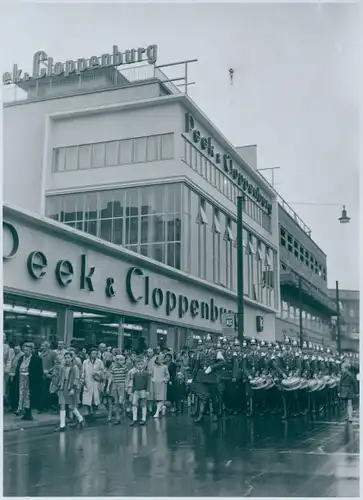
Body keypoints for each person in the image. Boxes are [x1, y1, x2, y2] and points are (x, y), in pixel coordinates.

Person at [57, 351, 84, 431]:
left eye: (68, 357)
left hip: (70, 387)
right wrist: (59, 386)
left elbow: (76, 378)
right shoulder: (63, 367)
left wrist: (73, 388)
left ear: (72, 358)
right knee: (62, 405)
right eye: (65, 358)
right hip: (63, 386)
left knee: (71, 406)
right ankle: (62, 425)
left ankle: (80, 418)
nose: (67, 359)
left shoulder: (74, 367)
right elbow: (60, 377)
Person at [81, 348, 105, 420]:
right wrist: (82, 380)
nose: (94, 355)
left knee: (95, 399)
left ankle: (94, 413)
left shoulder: (100, 362)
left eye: (95, 353)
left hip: (96, 382)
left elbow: (102, 371)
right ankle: (88, 412)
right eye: (92, 353)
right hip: (88, 382)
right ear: (89, 354)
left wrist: (97, 373)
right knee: (87, 399)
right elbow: (83, 371)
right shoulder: (85, 362)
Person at [106, 354, 128, 424]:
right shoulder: (113, 368)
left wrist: (126, 386)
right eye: (121, 360)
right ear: (117, 361)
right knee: (116, 402)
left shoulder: (124, 368)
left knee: (121, 401)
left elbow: (127, 378)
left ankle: (124, 413)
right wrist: (108, 387)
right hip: (115, 385)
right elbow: (111, 378)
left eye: (123, 360)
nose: (123, 361)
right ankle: (117, 418)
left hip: (122, 385)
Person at [130, 357, 149, 426]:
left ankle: (143, 419)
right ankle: (134, 419)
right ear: (136, 365)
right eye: (138, 364)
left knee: (143, 404)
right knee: (134, 404)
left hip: (143, 390)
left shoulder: (146, 373)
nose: (140, 366)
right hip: (136, 391)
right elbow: (133, 383)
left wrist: (147, 390)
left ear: (144, 365)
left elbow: (148, 383)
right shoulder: (134, 374)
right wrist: (132, 392)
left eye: (141, 364)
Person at [40, 341, 57, 412]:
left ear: (47, 346)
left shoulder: (53, 353)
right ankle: (43, 406)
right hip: (41, 375)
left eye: (43, 346)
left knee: (48, 391)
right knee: (42, 391)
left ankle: (48, 406)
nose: (42, 347)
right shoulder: (41, 353)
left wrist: (49, 371)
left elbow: (56, 364)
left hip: (49, 375)